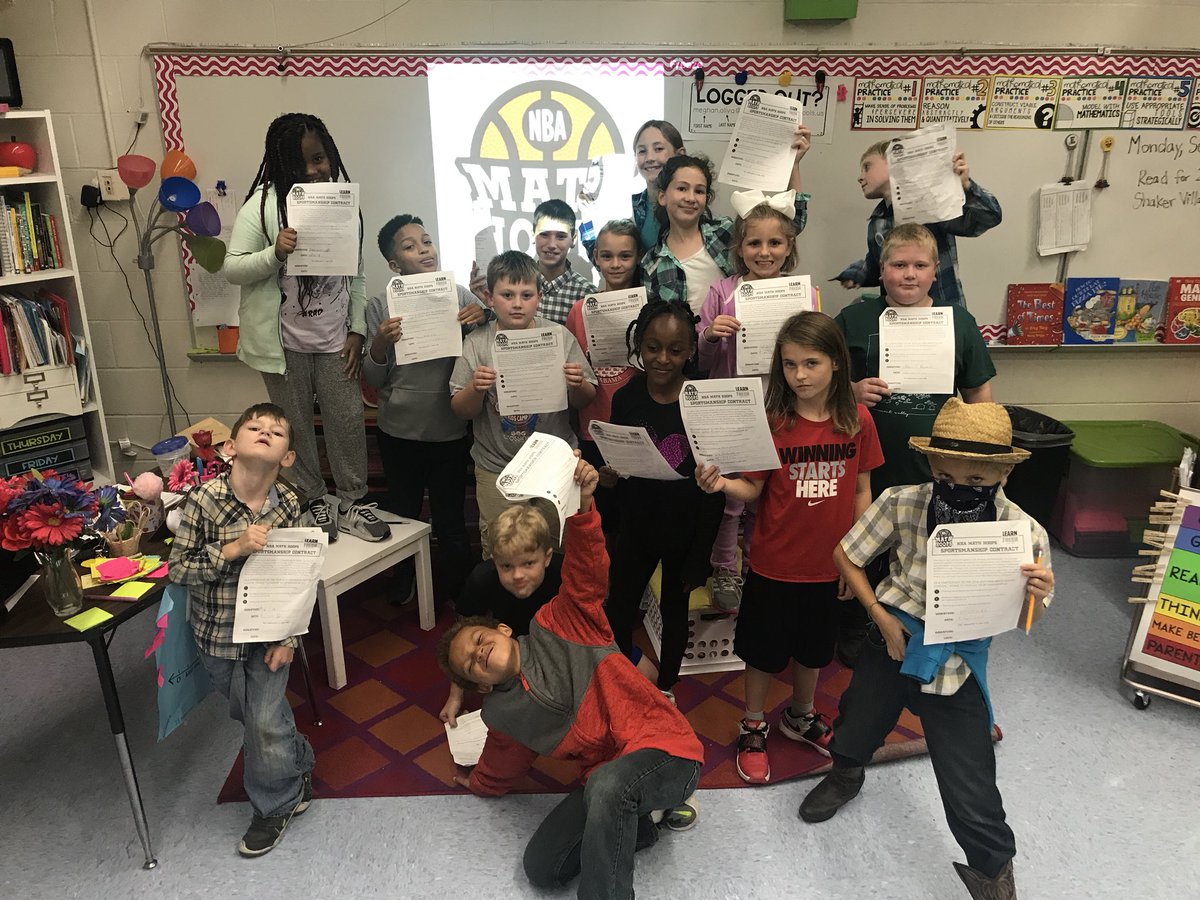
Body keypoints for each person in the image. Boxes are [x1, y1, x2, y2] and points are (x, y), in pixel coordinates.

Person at [799, 399, 1055, 900]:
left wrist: (1037, 595)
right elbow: (846, 554)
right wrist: (878, 613)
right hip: (892, 634)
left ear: (1002, 474)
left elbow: (1028, 621)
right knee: (857, 719)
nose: (960, 489)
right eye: (946, 475)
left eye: (978, 482)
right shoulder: (904, 501)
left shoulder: (1023, 532)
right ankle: (846, 773)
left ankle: (992, 873)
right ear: (932, 466)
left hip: (958, 660)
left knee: (971, 780)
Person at [437, 454, 703, 900]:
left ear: (502, 629)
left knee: (606, 784)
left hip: (664, 750)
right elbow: (505, 757)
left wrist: (584, 507)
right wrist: (479, 783)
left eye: (479, 640)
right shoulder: (501, 712)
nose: (478, 653)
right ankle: (641, 827)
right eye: (470, 664)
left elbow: (586, 573)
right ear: (479, 686)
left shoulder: (560, 621)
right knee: (542, 868)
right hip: (607, 782)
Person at [696, 312, 882, 784]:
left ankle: (800, 715)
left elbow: (863, 490)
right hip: (774, 566)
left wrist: (855, 557)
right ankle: (753, 723)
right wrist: (722, 485)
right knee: (761, 653)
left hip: (831, 566)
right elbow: (753, 490)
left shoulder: (857, 419)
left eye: (811, 363)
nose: (799, 375)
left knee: (814, 652)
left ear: (837, 363)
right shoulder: (774, 421)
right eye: (789, 364)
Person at [833, 223, 996, 666]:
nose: (909, 274)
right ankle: (855, 628)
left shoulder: (957, 322)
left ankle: (921, 628)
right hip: (866, 466)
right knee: (860, 546)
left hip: (932, 467)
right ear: (881, 270)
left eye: (919, 265)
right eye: (898, 264)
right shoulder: (855, 318)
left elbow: (980, 397)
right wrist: (851, 391)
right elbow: (818, 379)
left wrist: (983, 464)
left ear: (935, 270)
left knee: (921, 548)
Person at [224, 112, 388, 544]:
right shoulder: (261, 206)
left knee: (348, 418)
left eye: (321, 159)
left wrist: (357, 330)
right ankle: (312, 496)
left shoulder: (341, 204)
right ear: (282, 166)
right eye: (302, 164)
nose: (315, 171)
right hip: (284, 346)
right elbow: (233, 268)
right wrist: (274, 253)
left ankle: (352, 500)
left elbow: (357, 275)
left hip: (336, 341)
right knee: (292, 425)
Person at [168, 402, 315, 857]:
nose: (266, 432)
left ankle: (276, 805)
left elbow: (297, 578)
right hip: (217, 635)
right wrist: (231, 549)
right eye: (254, 426)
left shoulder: (288, 503)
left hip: (269, 635)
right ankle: (300, 761)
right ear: (232, 446)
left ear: (287, 457)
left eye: (277, 431)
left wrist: (288, 638)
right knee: (249, 715)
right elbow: (178, 569)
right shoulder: (205, 500)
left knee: (263, 721)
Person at [601, 300, 725, 700]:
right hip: (637, 526)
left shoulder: (703, 403)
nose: (663, 358)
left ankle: (666, 687)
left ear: (691, 351)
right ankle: (622, 677)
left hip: (686, 533)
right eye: (653, 347)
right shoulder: (626, 398)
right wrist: (608, 479)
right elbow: (620, 466)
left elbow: (715, 489)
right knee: (618, 609)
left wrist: (701, 553)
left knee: (675, 615)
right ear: (639, 344)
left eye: (675, 349)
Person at [364, 214, 488, 602]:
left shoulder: (461, 295)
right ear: (394, 265)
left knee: (450, 518)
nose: (423, 250)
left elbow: (485, 348)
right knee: (401, 514)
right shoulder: (380, 304)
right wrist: (382, 344)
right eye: (410, 246)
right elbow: (374, 378)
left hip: (449, 431)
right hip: (398, 431)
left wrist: (482, 317)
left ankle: (459, 592)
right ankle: (402, 581)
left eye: (427, 241)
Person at [696, 190, 808, 610]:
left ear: (788, 247)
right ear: (740, 248)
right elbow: (704, 361)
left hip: (781, 411)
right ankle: (725, 568)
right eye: (754, 243)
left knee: (772, 497)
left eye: (774, 242)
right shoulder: (722, 292)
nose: (764, 252)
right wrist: (710, 335)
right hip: (732, 413)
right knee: (730, 499)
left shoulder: (800, 293)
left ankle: (760, 566)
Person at [449, 251, 597, 558]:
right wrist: (476, 389)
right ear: (489, 297)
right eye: (507, 294)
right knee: (502, 549)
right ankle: (505, 607)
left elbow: (586, 398)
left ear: (539, 297)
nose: (517, 303)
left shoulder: (558, 337)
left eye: (526, 295)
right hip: (497, 467)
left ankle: (556, 607)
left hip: (554, 466)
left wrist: (577, 384)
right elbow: (460, 410)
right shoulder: (476, 343)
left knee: (556, 546)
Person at [641, 126, 811, 315]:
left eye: (699, 191)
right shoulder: (651, 263)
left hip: (737, 337)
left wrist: (793, 164)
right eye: (682, 188)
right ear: (662, 197)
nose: (690, 198)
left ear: (707, 198)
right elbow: (654, 320)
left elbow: (791, 223)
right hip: (691, 342)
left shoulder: (725, 232)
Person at [439, 503, 564, 727]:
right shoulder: (481, 579)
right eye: (506, 566)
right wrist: (455, 696)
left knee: (640, 669)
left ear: (546, 557)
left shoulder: (564, 573)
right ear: (495, 562)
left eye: (528, 563)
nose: (518, 575)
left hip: (563, 642)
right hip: (511, 646)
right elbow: (461, 641)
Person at [835, 140, 1001, 308]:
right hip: (898, 315)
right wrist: (857, 274)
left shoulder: (932, 207)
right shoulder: (878, 221)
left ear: (895, 163)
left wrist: (966, 185)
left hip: (941, 313)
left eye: (867, 167)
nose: (860, 177)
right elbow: (878, 265)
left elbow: (989, 216)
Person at [565, 219, 645, 540]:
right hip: (593, 427)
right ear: (595, 256)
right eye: (607, 255)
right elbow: (575, 374)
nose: (615, 264)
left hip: (638, 429)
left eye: (624, 256)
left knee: (636, 514)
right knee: (601, 515)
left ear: (638, 257)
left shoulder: (648, 308)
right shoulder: (579, 311)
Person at [581, 120, 687, 257]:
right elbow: (605, 261)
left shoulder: (692, 204)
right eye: (642, 151)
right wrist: (587, 218)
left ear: (680, 154)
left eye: (659, 149)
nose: (649, 158)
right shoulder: (636, 207)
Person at [532, 198, 596, 325]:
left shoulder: (587, 294)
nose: (551, 244)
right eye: (544, 234)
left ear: (573, 239)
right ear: (533, 235)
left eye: (561, 236)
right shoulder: (517, 285)